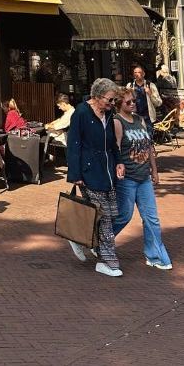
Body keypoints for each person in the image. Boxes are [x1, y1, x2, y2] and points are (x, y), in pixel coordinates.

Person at [66, 77, 125, 277]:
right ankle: (107, 261)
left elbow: (111, 143)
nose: (112, 104)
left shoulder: (108, 115)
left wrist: (118, 161)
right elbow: (73, 144)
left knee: (105, 215)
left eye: (114, 100)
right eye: (109, 100)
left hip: (107, 172)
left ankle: (78, 236)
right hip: (89, 172)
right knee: (106, 218)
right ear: (97, 97)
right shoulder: (81, 113)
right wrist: (75, 174)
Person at [112, 88, 172, 269]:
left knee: (151, 218)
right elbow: (115, 149)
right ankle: (101, 240)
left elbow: (148, 147)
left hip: (144, 177)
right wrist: (118, 167)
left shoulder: (140, 120)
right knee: (124, 216)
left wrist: (154, 170)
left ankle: (155, 256)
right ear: (119, 105)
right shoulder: (117, 122)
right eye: (128, 102)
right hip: (127, 179)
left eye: (134, 101)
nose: (133, 104)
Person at [127, 65, 163, 138]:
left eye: (139, 72)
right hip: (134, 117)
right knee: (136, 140)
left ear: (143, 74)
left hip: (148, 117)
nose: (136, 74)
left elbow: (159, 103)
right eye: (135, 72)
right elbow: (125, 102)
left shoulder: (151, 85)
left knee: (148, 139)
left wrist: (150, 94)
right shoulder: (130, 86)